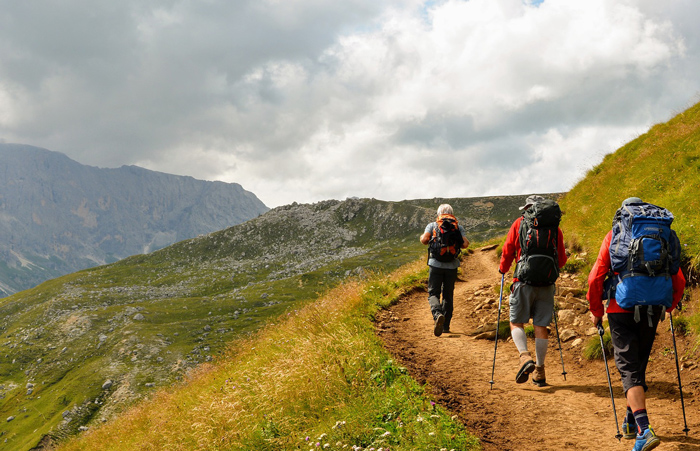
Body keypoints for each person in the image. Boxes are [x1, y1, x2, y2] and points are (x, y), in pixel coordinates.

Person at [587, 197, 686, 451]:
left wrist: (596, 310)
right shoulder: (663, 234)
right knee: (638, 367)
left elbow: (597, 275)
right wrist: (668, 305)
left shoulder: (615, 234)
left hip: (621, 309)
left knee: (629, 369)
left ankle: (644, 429)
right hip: (653, 309)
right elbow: (679, 279)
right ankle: (631, 421)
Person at [498, 195, 567, 386]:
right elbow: (561, 259)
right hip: (546, 283)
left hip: (523, 280)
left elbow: (508, 249)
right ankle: (540, 370)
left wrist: (503, 268)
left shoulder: (520, 223)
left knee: (516, 322)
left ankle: (524, 356)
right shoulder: (555, 228)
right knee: (541, 326)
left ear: (528, 208)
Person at [420, 204, 469, 336]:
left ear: (439, 214)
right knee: (448, 295)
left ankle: (437, 315)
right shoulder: (458, 227)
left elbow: (424, 240)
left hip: (435, 264)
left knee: (433, 293)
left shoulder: (432, 225)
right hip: (452, 266)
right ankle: (446, 326)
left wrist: (425, 238)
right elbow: (465, 244)